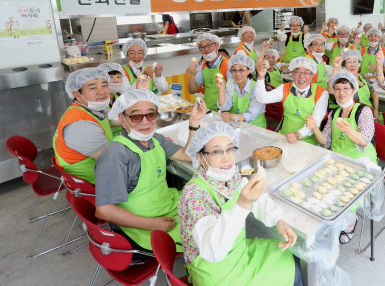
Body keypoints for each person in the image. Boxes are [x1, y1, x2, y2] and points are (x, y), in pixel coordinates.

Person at [179, 122, 300, 286]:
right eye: (216, 151)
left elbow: (253, 194)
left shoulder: (228, 176)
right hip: (216, 273)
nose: (226, 157)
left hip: (239, 251)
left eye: (229, 149)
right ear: (200, 157)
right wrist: (242, 205)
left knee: (288, 254)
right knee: (288, 268)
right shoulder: (194, 194)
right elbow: (213, 250)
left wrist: (279, 220)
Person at [95, 90, 206, 253]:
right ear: (122, 118)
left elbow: (186, 154)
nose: (145, 122)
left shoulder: (154, 139)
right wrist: (154, 224)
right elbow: (104, 210)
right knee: (208, 238)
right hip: (143, 225)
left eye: (151, 114)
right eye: (136, 116)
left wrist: (194, 121)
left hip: (168, 205)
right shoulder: (116, 155)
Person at [306, 70, 377, 243]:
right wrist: (315, 127)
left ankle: (349, 223)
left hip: (361, 163)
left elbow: (363, 141)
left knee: (345, 193)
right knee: (316, 185)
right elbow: (326, 141)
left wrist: (348, 130)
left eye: (346, 88)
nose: (341, 92)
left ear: (353, 90)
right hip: (337, 160)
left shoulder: (363, 111)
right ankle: (328, 221)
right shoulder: (334, 113)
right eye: (337, 88)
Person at [53, 68, 113, 184]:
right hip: (95, 183)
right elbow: (116, 159)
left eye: (104, 85)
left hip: (99, 171)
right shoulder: (79, 126)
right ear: (77, 94)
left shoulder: (86, 110)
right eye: (93, 88)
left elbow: (107, 122)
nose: (102, 92)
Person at [254, 57, 328, 145]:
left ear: (312, 75)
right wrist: (261, 77)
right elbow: (262, 98)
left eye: (306, 72)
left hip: (308, 141)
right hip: (285, 137)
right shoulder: (285, 88)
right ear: (292, 73)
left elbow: (316, 121)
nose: (301, 76)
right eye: (297, 71)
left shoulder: (321, 93)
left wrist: (298, 135)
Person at [217, 54, 266, 128]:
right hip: (236, 125)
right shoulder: (231, 84)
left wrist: (232, 116)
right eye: (234, 70)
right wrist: (221, 89)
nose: (237, 74)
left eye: (241, 70)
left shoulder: (257, 88)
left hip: (255, 127)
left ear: (249, 71)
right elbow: (224, 107)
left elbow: (251, 114)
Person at [330, 50, 379, 119]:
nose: (353, 65)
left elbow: (374, 93)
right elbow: (331, 91)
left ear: (359, 63)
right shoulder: (343, 79)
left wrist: (376, 110)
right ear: (343, 65)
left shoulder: (362, 77)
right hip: (353, 115)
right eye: (349, 62)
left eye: (355, 61)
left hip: (370, 112)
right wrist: (336, 67)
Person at [187, 33, 230, 111]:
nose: (206, 49)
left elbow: (235, 91)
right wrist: (192, 74)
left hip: (224, 110)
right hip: (208, 109)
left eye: (209, 45)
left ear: (217, 45)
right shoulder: (203, 65)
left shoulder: (228, 64)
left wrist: (222, 109)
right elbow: (192, 90)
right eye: (202, 47)